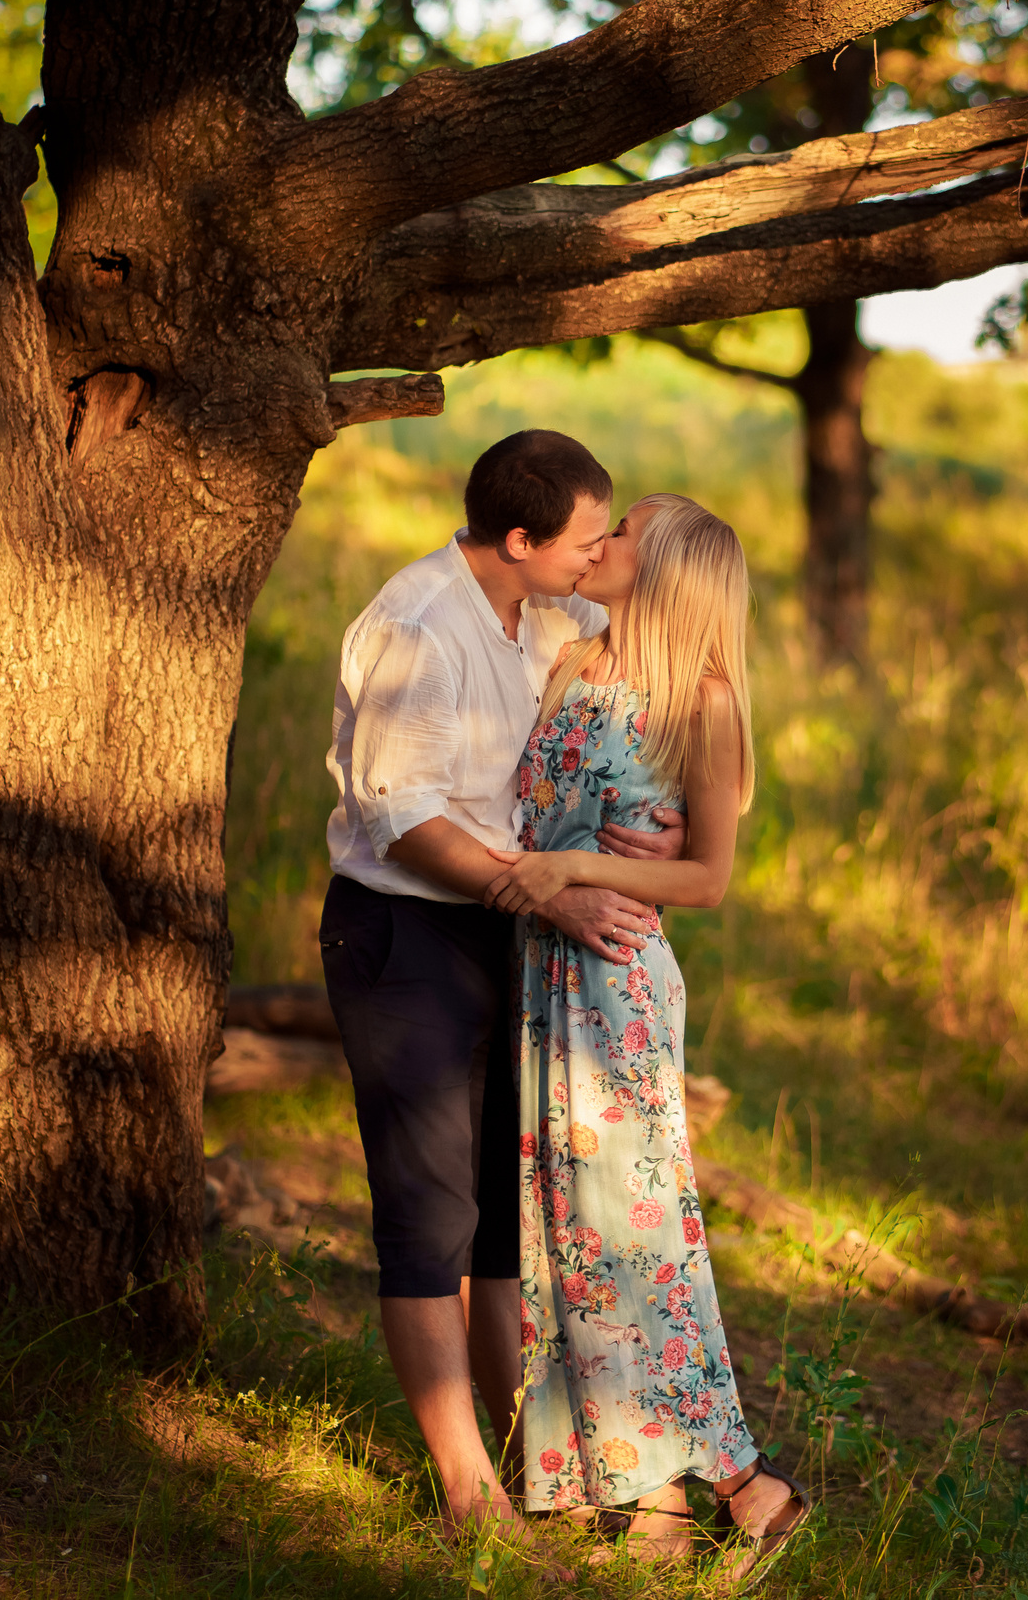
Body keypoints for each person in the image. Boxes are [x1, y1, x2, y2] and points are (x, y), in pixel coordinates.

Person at [319, 431, 685, 1548]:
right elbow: (406, 820)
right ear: (519, 540)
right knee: (430, 1217)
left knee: (504, 1222)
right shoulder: (417, 630)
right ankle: (467, 1495)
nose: (597, 558)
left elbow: (629, 699)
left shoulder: (555, 617)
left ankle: (531, 1457)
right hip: (408, 936)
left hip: (510, 933)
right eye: (585, 541)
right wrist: (554, 895)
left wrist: (649, 818)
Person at [481, 493, 810, 1583]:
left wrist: (583, 867)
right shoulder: (572, 663)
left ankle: (737, 1478)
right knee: (563, 1229)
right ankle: (644, 1490)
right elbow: (527, 813)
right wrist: (555, 863)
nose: (600, 541)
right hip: (538, 973)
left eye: (621, 534)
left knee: (634, 1231)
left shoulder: (700, 703)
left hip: (614, 981)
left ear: (662, 574)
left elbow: (704, 878)